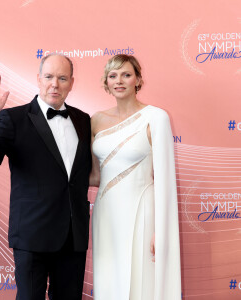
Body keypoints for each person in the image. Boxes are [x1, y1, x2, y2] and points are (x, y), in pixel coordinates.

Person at [0, 54, 92, 300]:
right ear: (38, 79)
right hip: (32, 233)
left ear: (72, 82)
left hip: (73, 235)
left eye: (62, 78)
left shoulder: (83, 120)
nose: (54, 84)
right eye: (48, 77)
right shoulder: (13, 118)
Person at [90, 54, 181, 300]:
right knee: (108, 280)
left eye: (126, 75)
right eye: (113, 76)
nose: (119, 81)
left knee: (141, 282)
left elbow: (165, 179)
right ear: (106, 82)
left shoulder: (156, 117)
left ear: (138, 80)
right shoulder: (96, 121)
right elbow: (93, 176)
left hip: (142, 211)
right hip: (105, 213)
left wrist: (161, 230)